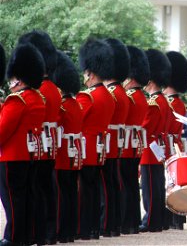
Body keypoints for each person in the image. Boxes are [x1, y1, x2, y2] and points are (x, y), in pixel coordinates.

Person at [0, 43, 46, 246]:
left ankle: (13, 236)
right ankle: (26, 235)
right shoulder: (37, 98)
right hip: (29, 155)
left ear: (19, 77)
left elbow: (2, 131)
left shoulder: (17, 101)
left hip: (11, 156)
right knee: (27, 198)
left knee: (12, 200)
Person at [19, 30, 61, 245]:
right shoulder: (53, 88)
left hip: (38, 144)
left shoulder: (41, 90)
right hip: (49, 143)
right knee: (47, 189)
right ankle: (49, 232)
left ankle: (40, 231)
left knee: (38, 191)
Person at [76, 39, 116, 240]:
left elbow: (76, 121)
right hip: (100, 149)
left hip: (85, 149)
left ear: (90, 73)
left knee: (84, 192)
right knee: (94, 191)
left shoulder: (88, 96)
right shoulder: (108, 96)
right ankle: (93, 228)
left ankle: (84, 229)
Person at [51, 51, 83, 243]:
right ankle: (70, 230)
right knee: (72, 193)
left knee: (62, 195)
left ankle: (62, 230)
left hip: (63, 153)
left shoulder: (62, 106)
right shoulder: (76, 104)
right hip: (75, 153)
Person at [140, 49, 172, 233]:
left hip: (150, 149)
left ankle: (151, 220)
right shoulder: (164, 101)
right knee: (157, 185)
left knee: (150, 188)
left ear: (150, 81)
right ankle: (159, 219)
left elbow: (145, 128)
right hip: (159, 147)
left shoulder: (153, 103)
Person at [101, 38, 131, 237]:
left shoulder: (112, 93)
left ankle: (107, 223)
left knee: (106, 186)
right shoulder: (122, 92)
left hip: (107, 142)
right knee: (114, 183)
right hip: (117, 142)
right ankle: (115, 224)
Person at [120, 45, 150, 235]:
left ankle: (125, 221)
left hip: (124, 144)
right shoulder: (142, 97)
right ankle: (132, 221)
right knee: (131, 184)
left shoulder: (130, 97)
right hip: (135, 145)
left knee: (125, 184)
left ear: (130, 78)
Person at [164, 50, 187, 230]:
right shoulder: (178, 102)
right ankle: (176, 218)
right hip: (174, 143)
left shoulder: (170, 102)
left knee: (170, 182)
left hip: (167, 143)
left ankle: (172, 217)